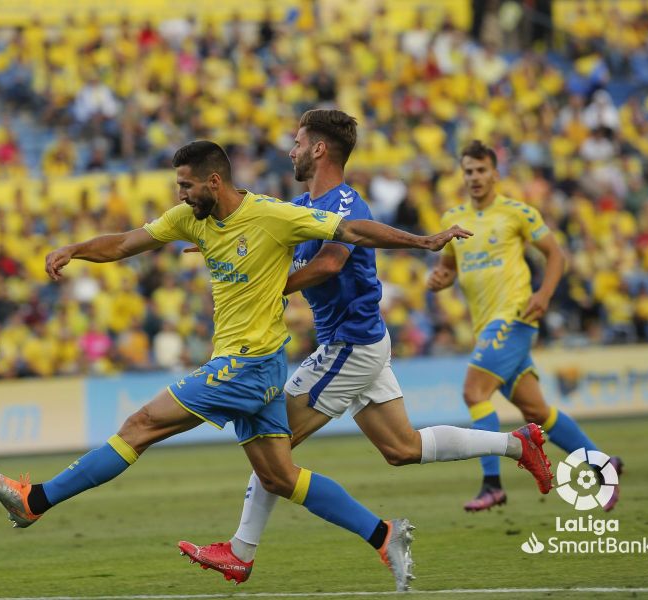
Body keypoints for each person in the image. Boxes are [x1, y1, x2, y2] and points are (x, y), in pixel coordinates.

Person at [0, 140, 472, 591]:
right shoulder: (190, 218)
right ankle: (383, 534)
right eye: (179, 186)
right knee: (280, 478)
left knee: (140, 425)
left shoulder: (273, 216)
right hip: (252, 367)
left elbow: (351, 231)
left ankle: (35, 501)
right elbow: (127, 243)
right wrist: (76, 249)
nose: (182, 194)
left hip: (248, 365)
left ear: (214, 181)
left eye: (187, 185)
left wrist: (424, 242)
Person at [176, 110, 554, 585]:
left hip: (348, 345)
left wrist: (267, 290)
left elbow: (332, 263)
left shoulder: (348, 203)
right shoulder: (300, 205)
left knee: (274, 446)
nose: (290, 150)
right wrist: (227, 247)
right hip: (361, 342)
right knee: (401, 447)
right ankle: (517, 444)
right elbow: (263, 238)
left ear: (318, 149)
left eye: (297, 142)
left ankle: (242, 551)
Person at [427, 139, 623, 512]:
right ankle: (602, 461)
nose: (475, 177)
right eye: (468, 171)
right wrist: (441, 278)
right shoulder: (452, 220)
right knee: (537, 412)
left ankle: (491, 484)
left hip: (515, 316)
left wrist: (544, 295)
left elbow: (555, 255)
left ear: (495, 174)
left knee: (474, 392)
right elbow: (449, 267)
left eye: (481, 170)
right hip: (485, 326)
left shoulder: (517, 213)